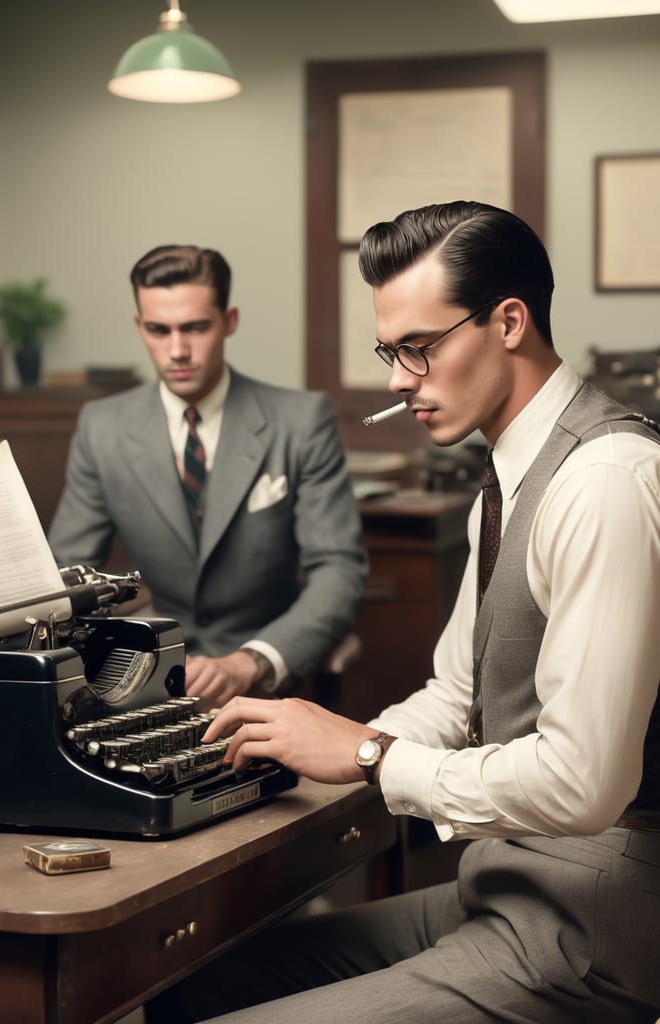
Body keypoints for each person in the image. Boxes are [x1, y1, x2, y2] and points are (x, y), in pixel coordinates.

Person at [147, 202, 660, 1023]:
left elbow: (582, 784)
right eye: (391, 351)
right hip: (508, 886)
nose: (396, 378)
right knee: (193, 981)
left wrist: (367, 755)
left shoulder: (603, 483)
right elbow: (453, 701)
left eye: (418, 348)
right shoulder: (504, 480)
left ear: (508, 322)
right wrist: (300, 749)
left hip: (593, 926)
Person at [48, 244, 367, 708]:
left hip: (266, 675)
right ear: (140, 327)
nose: (177, 350)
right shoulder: (102, 427)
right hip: (145, 673)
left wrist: (253, 661)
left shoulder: (302, 420)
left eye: (195, 327)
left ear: (229, 321)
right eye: (159, 330)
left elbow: (340, 572)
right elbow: (69, 576)